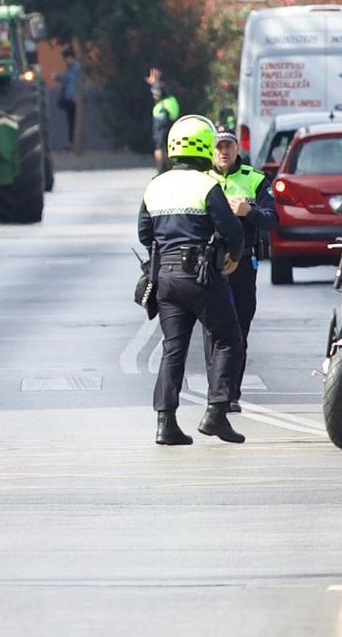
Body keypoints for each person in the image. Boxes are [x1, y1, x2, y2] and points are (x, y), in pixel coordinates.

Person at [137, 115, 247, 446]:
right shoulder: (206, 185)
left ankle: (165, 422)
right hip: (201, 275)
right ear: (205, 148)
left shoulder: (155, 185)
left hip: (166, 277)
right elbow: (233, 230)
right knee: (228, 338)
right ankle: (216, 413)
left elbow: (144, 233)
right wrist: (234, 256)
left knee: (173, 348)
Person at [206, 126, 278, 413]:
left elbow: (273, 219)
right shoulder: (201, 179)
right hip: (210, 264)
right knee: (213, 330)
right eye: (218, 147)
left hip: (244, 264)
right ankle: (216, 393)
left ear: (237, 148)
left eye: (228, 146)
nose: (223, 152)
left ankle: (231, 392)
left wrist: (249, 212)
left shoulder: (255, 178)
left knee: (238, 329)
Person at [55, 46, 81, 152]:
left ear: (70, 57)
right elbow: (67, 81)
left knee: (74, 121)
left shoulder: (77, 68)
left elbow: (74, 82)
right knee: (71, 121)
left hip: (74, 98)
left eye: (65, 58)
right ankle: (72, 142)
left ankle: (75, 143)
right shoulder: (70, 68)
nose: (65, 61)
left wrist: (77, 96)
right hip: (69, 98)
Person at [150, 80, 179, 170]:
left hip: (161, 127)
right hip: (173, 127)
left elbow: (159, 121)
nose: (154, 95)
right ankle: (170, 165)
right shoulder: (172, 100)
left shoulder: (161, 105)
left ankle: (161, 168)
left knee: (159, 147)